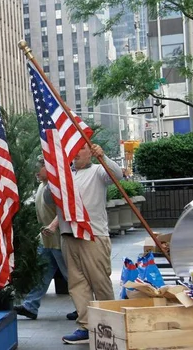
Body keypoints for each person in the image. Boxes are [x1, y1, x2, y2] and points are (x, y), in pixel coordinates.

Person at [46, 143, 123, 345]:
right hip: (69, 235)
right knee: (77, 284)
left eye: (81, 148)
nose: (76, 153)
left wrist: (103, 157)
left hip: (92, 235)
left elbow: (117, 175)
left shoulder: (98, 171)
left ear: (90, 151)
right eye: (74, 149)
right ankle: (86, 327)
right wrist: (53, 179)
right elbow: (48, 198)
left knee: (100, 282)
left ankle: (110, 326)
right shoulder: (65, 175)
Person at [13, 156, 77, 321]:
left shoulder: (55, 187)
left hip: (58, 240)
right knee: (42, 274)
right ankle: (30, 306)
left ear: (48, 168)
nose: (36, 172)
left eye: (38, 168)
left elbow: (64, 210)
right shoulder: (42, 186)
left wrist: (53, 226)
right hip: (46, 239)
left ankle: (82, 307)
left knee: (71, 276)